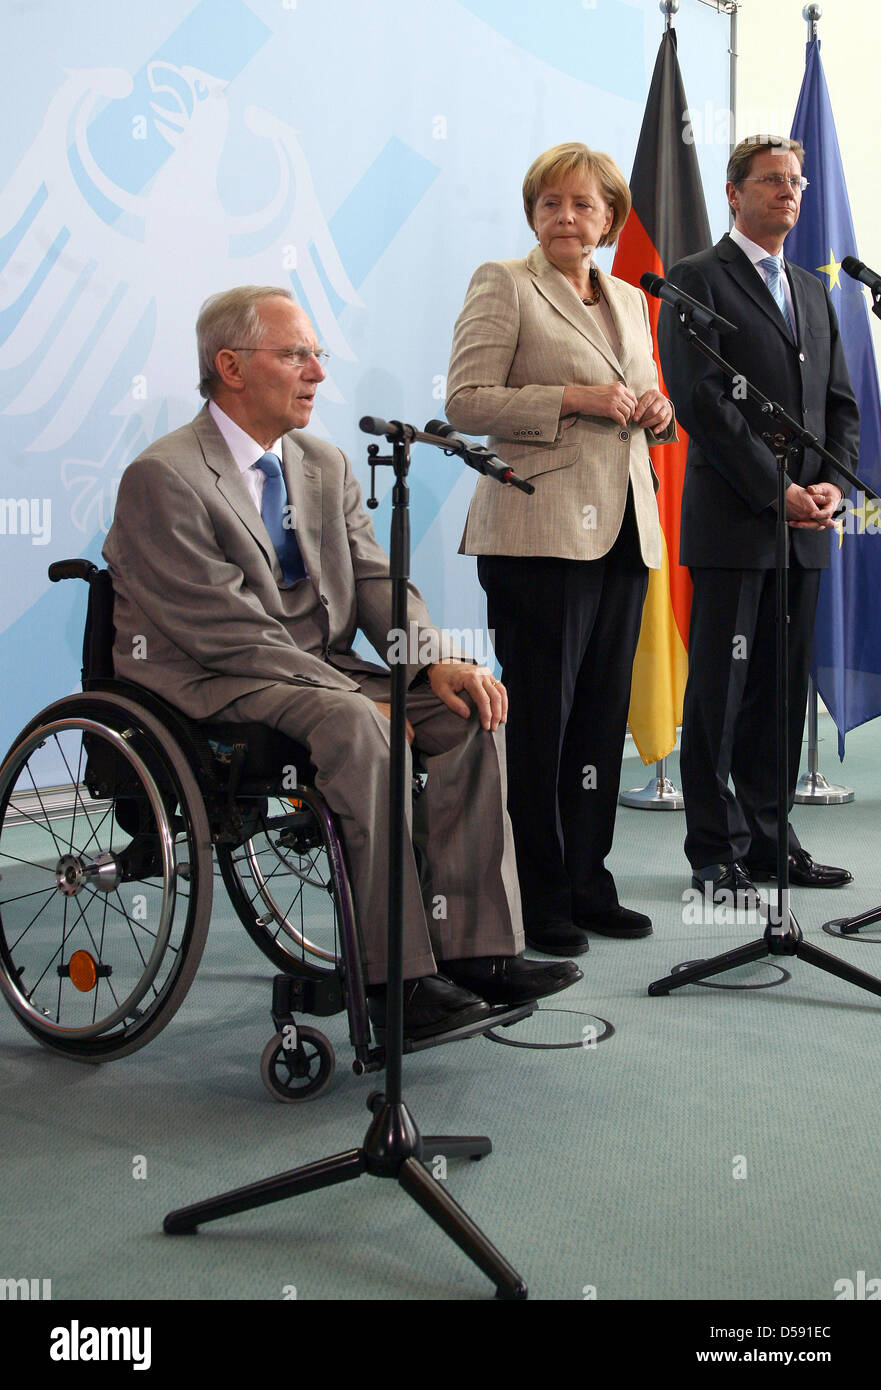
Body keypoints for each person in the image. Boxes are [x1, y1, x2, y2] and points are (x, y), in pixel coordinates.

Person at [103, 285, 581, 1040]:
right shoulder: (166, 476)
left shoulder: (321, 462)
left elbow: (373, 582)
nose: (317, 374)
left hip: (314, 667)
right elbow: (225, 630)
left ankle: (474, 949)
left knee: (471, 712)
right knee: (364, 728)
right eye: (295, 355)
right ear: (229, 366)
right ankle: (398, 983)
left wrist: (433, 664)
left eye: (316, 355)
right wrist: (360, 699)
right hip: (214, 678)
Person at [445, 142, 675, 958]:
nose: (565, 218)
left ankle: (587, 880)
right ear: (533, 213)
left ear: (609, 218)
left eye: (582, 205)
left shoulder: (626, 297)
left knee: (596, 721)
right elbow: (465, 402)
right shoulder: (503, 283)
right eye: (550, 203)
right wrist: (574, 397)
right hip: (536, 531)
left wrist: (656, 409)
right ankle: (535, 895)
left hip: (621, 530)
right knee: (540, 722)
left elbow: (649, 403)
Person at [657, 136, 858, 903]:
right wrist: (777, 491)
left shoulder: (812, 288)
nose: (789, 192)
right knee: (721, 691)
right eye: (772, 180)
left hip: (806, 526)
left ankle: (774, 843)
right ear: (734, 192)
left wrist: (830, 485)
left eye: (797, 182)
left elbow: (837, 404)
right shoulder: (695, 279)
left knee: (779, 691)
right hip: (738, 521)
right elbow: (701, 402)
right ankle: (716, 851)